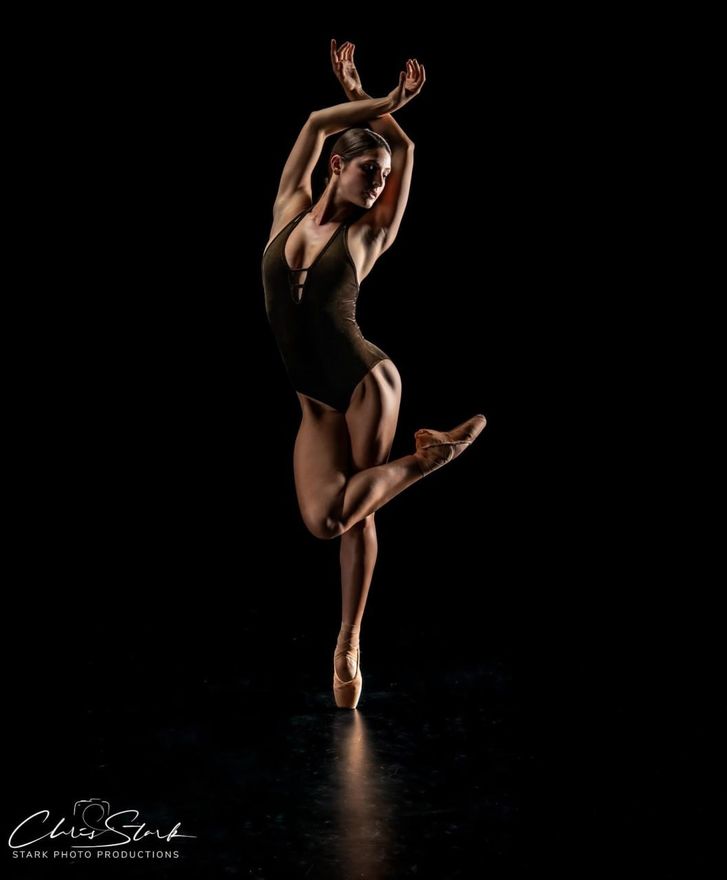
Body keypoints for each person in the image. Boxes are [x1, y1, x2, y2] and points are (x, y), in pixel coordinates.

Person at [262, 41, 486, 709]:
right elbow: (312, 121)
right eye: (369, 170)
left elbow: (408, 155)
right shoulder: (286, 211)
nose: (380, 182)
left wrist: (388, 116)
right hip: (314, 405)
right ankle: (429, 459)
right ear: (338, 165)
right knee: (328, 518)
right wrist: (368, 94)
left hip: (367, 381)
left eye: (383, 176)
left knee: (357, 518)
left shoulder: (368, 236)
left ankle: (348, 643)